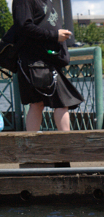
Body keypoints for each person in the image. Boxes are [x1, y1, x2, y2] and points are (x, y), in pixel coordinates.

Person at [12, 0, 83, 132]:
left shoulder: (47, 2)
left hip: (45, 61)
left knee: (37, 104)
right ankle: (66, 146)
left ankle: (31, 145)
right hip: (34, 61)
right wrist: (55, 35)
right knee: (61, 103)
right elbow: (23, 26)